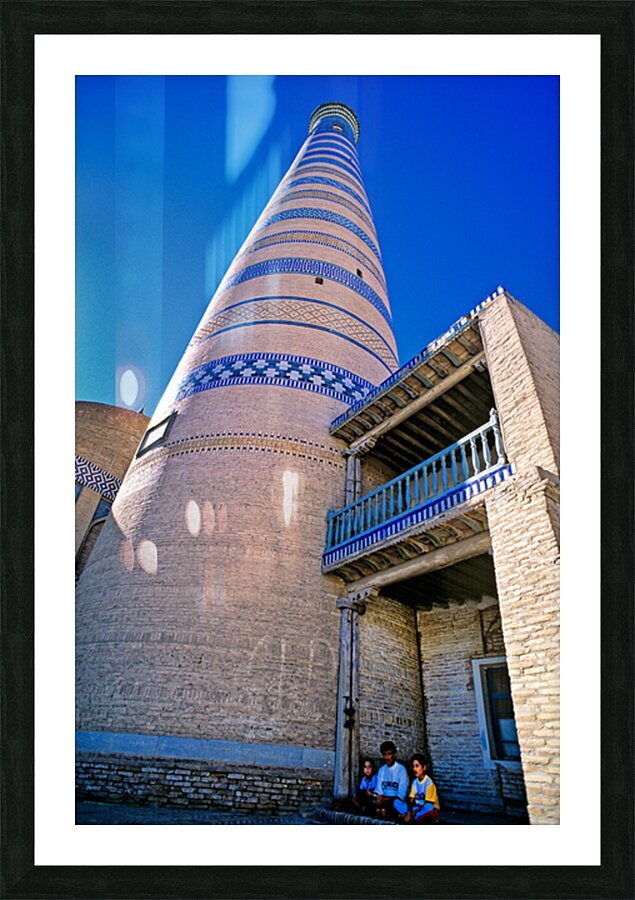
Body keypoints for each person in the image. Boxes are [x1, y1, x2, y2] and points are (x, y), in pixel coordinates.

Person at [374, 741, 409, 820]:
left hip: (395, 801)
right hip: (383, 801)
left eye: (389, 754)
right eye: (384, 754)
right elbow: (379, 791)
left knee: (397, 804)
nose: (387, 757)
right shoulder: (381, 770)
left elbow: (401, 795)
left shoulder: (401, 770)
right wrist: (379, 797)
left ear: (394, 754)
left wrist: (385, 800)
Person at [403, 754, 440, 825]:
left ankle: (416, 817)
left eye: (417, 766)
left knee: (428, 808)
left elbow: (429, 803)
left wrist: (415, 812)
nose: (414, 769)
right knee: (399, 804)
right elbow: (411, 799)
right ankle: (412, 816)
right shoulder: (414, 782)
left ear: (424, 767)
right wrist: (410, 812)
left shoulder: (429, 783)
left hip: (428, 807)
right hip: (418, 807)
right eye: (413, 766)